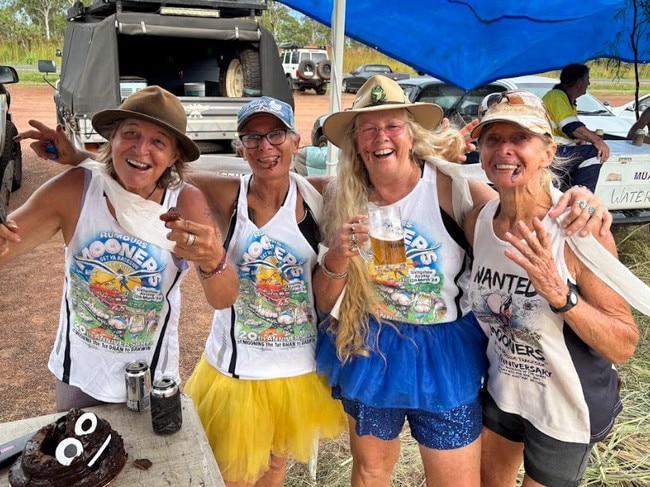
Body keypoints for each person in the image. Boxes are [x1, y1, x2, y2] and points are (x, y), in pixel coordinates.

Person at [311, 75, 608, 486]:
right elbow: (323, 300)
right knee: (371, 471)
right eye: (369, 128)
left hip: (445, 355)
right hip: (372, 351)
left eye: (393, 125)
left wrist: (578, 198)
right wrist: (339, 255)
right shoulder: (341, 196)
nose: (381, 137)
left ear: (411, 135)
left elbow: (520, 209)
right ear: (357, 142)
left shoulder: (453, 190)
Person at [2, 86, 238, 411]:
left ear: (174, 157)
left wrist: (214, 260)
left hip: (152, 377)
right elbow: (8, 241)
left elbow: (223, 298)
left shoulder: (185, 203)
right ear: (111, 139)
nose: (141, 149)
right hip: (80, 374)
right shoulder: (76, 189)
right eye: (130, 133)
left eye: (158, 142)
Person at [466, 90, 639, 487]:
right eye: (493, 139)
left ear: (548, 152)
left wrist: (559, 293)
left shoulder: (579, 230)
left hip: (565, 408)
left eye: (520, 138)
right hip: (503, 392)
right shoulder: (479, 220)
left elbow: (624, 344)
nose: (504, 150)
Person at [181, 97, 346, 486]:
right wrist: (83, 160)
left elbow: (379, 178)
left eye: (275, 134)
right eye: (252, 138)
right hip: (237, 373)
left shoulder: (320, 195)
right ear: (239, 148)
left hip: (298, 371)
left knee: (274, 467)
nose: (265, 147)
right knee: (230, 475)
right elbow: (161, 174)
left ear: (296, 140)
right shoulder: (226, 193)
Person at [542, 63, 610, 192]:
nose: (589, 83)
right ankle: (583, 196)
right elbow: (570, 126)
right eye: (587, 79)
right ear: (579, 82)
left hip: (555, 149)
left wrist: (576, 140)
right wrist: (597, 141)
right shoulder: (556, 97)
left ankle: (568, 193)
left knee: (584, 151)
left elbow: (568, 129)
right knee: (594, 153)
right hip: (552, 151)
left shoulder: (566, 99)